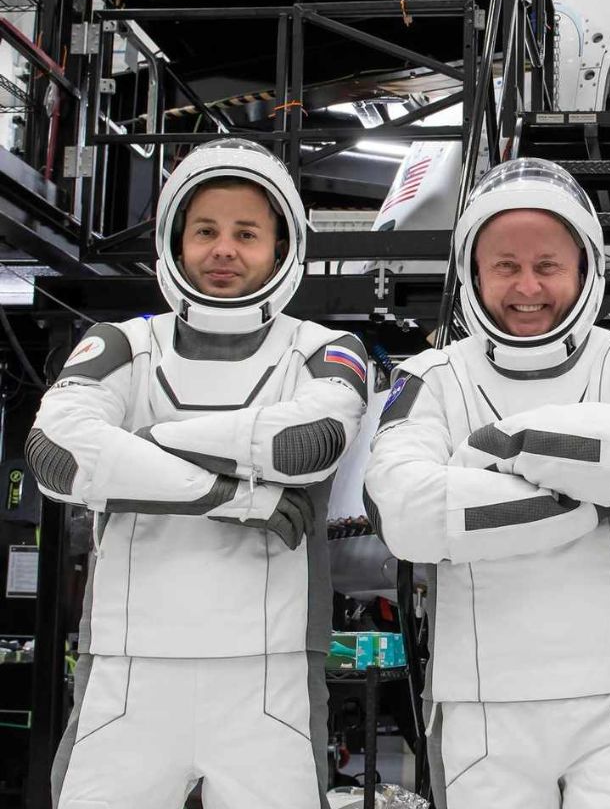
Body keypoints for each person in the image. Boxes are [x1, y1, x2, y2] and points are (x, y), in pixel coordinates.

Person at [27, 138, 368, 809]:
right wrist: (232, 498)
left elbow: (308, 442)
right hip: (126, 673)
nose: (223, 250)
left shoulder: (324, 349)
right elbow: (58, 455)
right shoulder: (123, 342)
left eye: (246, 233)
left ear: (280, 248)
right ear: (175, 241)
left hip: (268, 680)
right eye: (205, 231)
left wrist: (144, 442)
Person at [363, 157, 610, 809]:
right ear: (471, 272)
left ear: (583, 269)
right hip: (479, 707)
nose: (527, 286)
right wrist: (577, 496)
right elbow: (401, 510)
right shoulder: (433, 375)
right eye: (505, 266)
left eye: (547, 266)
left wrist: (500, 449)